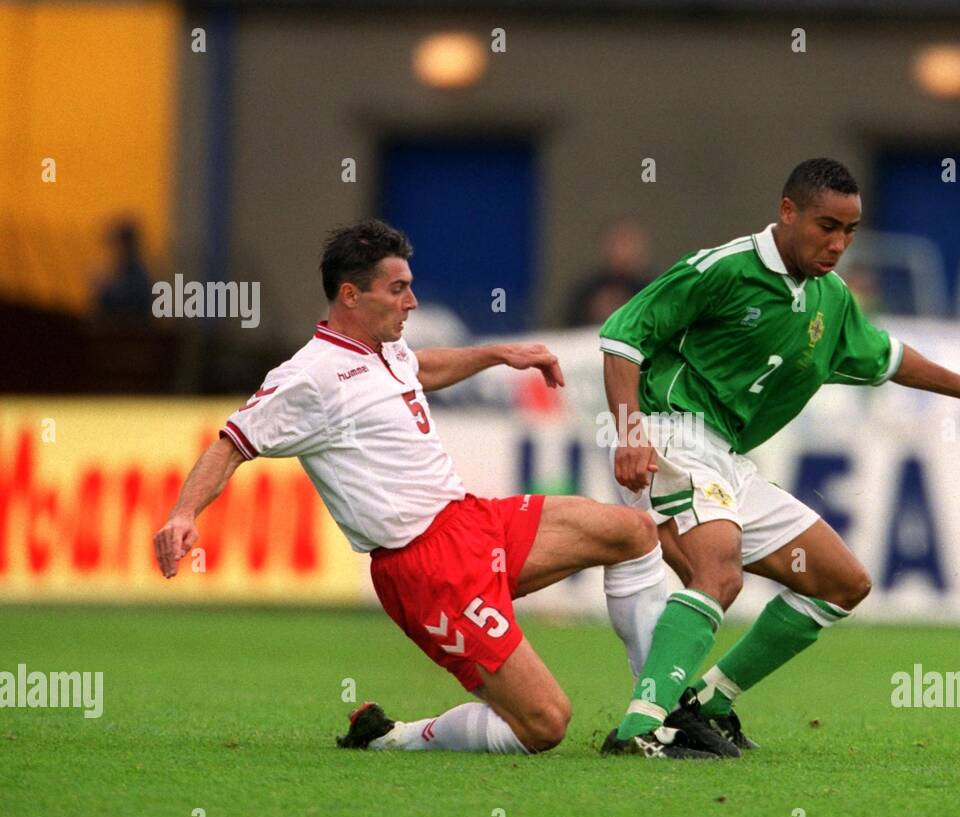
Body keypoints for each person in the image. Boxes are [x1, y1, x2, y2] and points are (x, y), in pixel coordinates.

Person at [153, 219, 720, 758]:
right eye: (397, 289)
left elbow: (420, 368)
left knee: (631, 530)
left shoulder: (383, 349)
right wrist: (184, 513)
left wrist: (499, 353)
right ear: (350, 295)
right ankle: (393, 737)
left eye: (410, 287)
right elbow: (233, 440)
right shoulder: (308, 377)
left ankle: (658, 714)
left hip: (470, 521)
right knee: (545, 725)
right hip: (425, 570)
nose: (412, 301)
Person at [598, 158, 960, 755]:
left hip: (726, 459)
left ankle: (708, 703)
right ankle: (641, 730)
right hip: (674, 432)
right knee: (718, 574)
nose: (839, 243)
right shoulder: (723, 269)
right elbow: (622, 334)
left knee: (841, 582)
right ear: (787, 211)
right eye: (827, 226)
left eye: (849, 231)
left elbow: (888, 357)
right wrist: (629, 430)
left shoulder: (830, 299)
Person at [562, 217, 651, 327]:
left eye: (630, 244)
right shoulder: (588, 291)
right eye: (620, 243)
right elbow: (569, 328)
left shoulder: (653, 290)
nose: (624, 252)